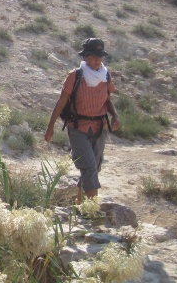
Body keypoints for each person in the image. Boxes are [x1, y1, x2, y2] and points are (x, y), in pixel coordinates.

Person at [45, 37, 121, 203]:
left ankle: (81, 205)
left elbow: (107, 100)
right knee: (89, 166)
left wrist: (115, 116)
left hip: (100, 128)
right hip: (78, 127)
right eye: (93, 56)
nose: (97, 60)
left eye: (100, 56)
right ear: (85, 57)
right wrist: (50, 127)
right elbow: (61, 102)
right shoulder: (75, 76)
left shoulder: (106, 75)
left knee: (94, 167)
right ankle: (92, 210)